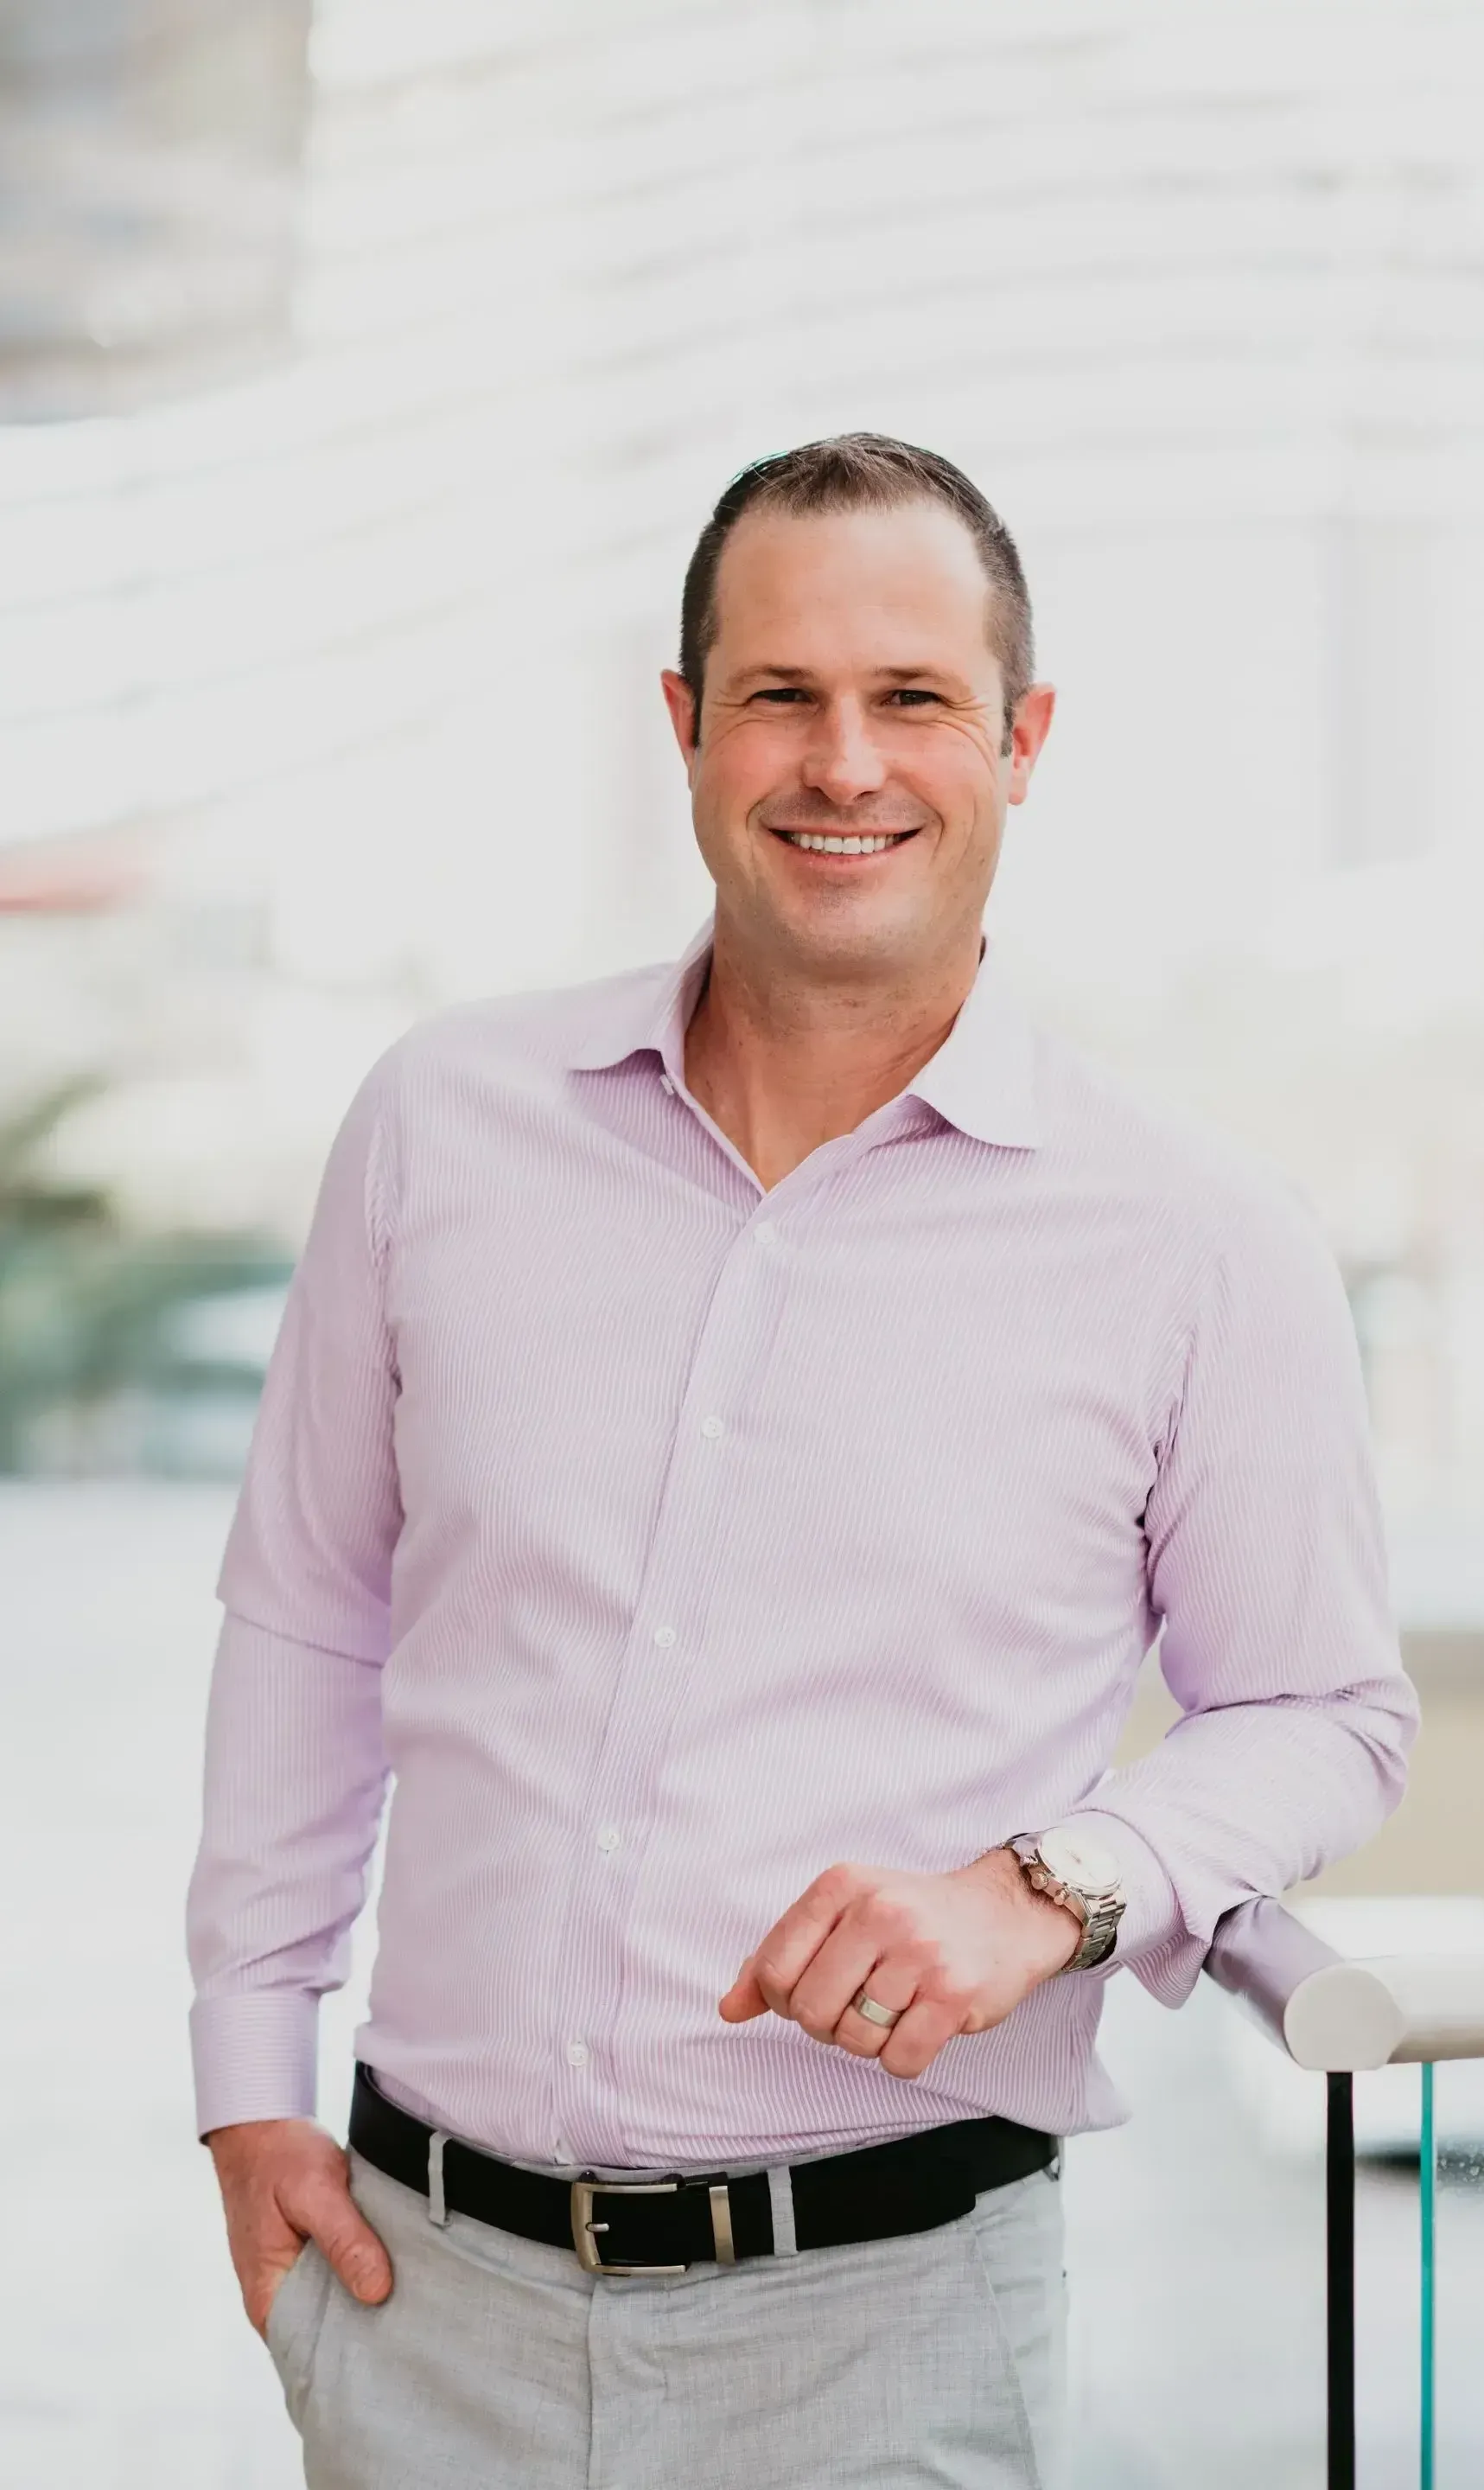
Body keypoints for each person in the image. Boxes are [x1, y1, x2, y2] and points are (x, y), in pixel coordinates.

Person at [188, 432, 1418, 2489]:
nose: (844, 763)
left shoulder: (1200, 1239)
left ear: (1021, 743)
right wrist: (248, 2074)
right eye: (782, 695)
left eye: (912, 700)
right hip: (419, 2307)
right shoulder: (439, 1124)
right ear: (686, 728)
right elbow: (308, 1609)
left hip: (893, 2337)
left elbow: (1323, 1713)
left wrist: (1058, 1889)